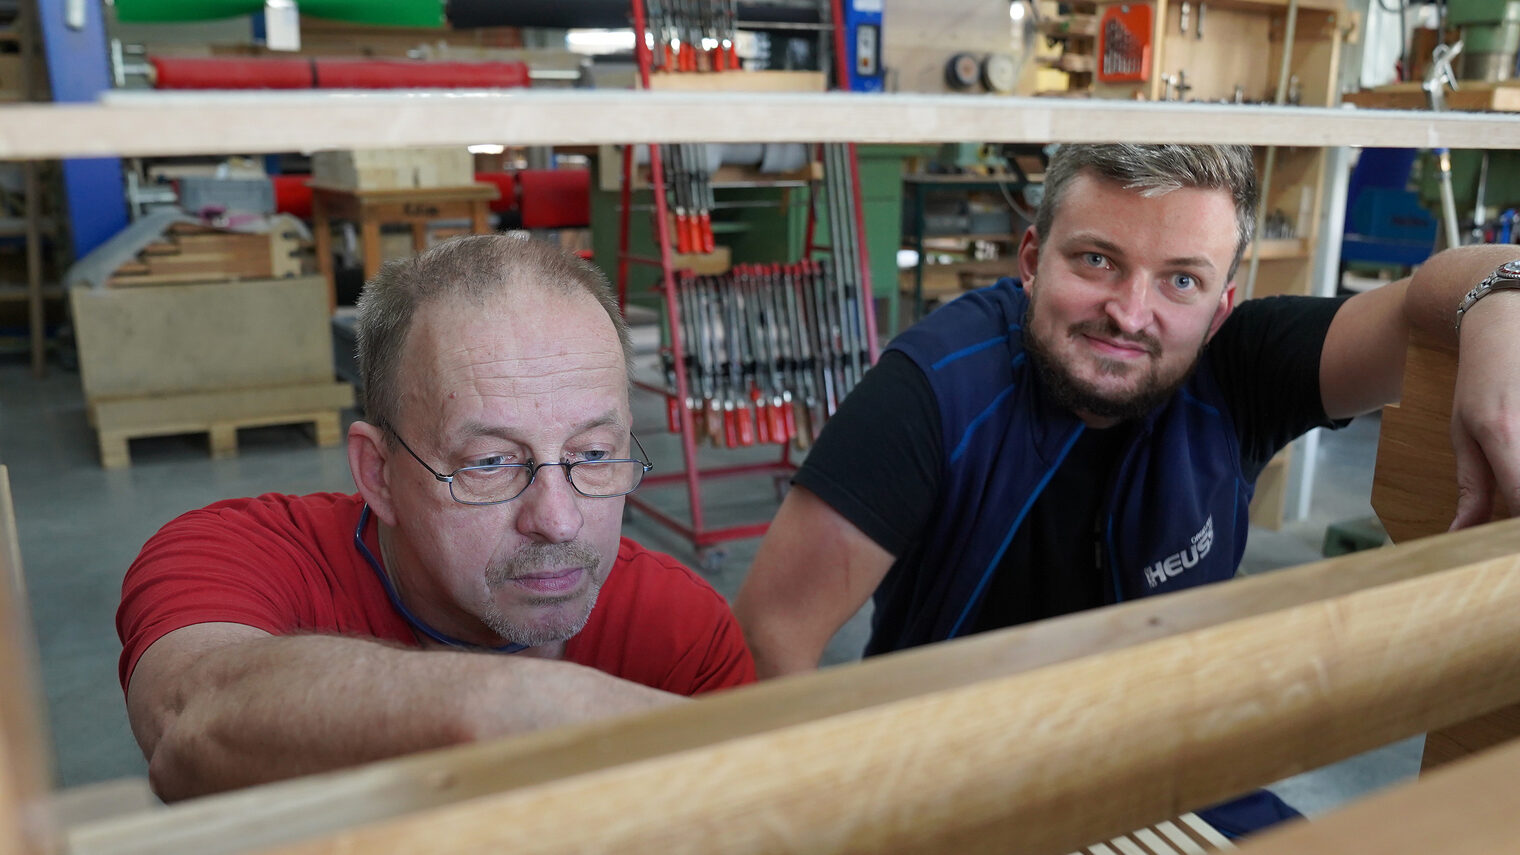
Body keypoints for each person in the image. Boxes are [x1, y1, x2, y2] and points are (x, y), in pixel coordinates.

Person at [733, 143, 1520, 835]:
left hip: (1173, 775)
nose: (1129, 313)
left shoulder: (1240, 369)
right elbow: (771, 638)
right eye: (1097, 260)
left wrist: (1499, 309)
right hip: (951, 788)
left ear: (1221, 309)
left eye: (1181, 279)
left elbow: (1438, 291)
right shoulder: (932, 388)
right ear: (1031, 256)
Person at [118, 235, 755, 802]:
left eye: (592, 455)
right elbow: (189, 721)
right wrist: (504, 703)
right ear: (378, 473)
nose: (559, 520)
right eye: (490, 463)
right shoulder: (240, 555)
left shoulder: (682, 632)